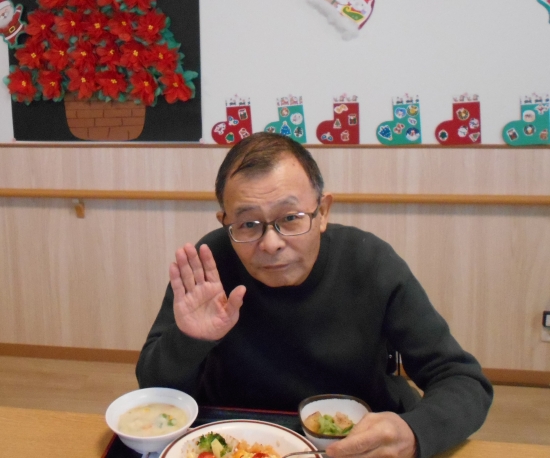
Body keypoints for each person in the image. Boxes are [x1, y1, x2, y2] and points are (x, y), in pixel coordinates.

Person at [137, 133, 493, 458]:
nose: (271, 243)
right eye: (248, 224)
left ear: (322, 212)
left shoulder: (369, 261)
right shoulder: (208, 266)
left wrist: (414, 432)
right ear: (225, 221)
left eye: (291, 218)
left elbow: (462, 380)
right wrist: (190, 340)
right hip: (236, 439)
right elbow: (154, 388)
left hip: (354, 446)